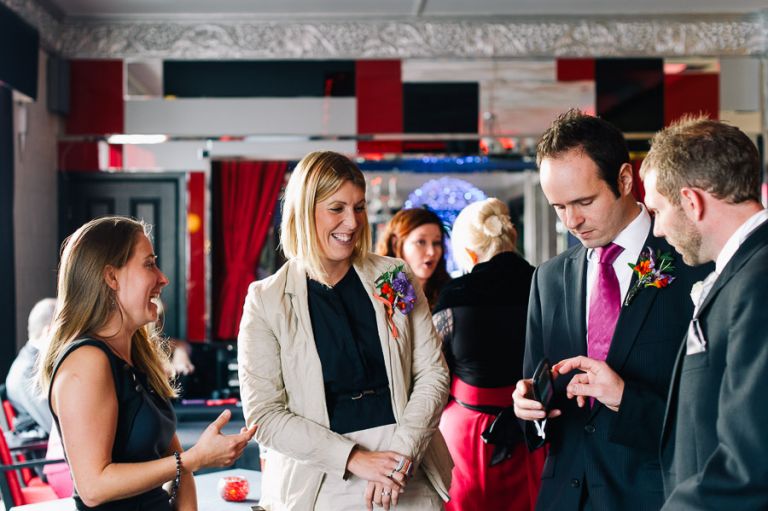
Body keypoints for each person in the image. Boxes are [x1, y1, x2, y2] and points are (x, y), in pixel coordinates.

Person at [511, 109, 709, 511]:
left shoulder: (693, 264)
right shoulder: (548, 279)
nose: (572, 221)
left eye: (584, 201)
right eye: (558, 207)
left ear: (624, 179)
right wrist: (528, 408)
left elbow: (711, 414)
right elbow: (536, 390)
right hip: (564, 497)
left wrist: (625, 399)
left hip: (652, 495)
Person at [238, 151, 453, 511]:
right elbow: (265, 416)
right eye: (336, 208)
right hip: (319, 479)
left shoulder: (393, 276)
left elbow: (433, 373)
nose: (352, 223)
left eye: (359, 207)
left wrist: (402, 454)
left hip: (407, 466)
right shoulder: (267, 299)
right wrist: (354, 458)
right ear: (304, 212)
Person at [37, 216, 256, 511]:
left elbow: (177, 465)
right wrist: (193, 458)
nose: (163, 278)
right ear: (111, 277)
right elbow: (93, 488)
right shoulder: (86, 362)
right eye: (149, 264)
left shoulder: (136, 356)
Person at [640, 117, 768, 510]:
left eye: (658, 210)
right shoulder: (744, 270)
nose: (657, 230)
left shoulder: (758, 281)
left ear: (691, 201)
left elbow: (750, 462)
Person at [433, 198, 544, 511]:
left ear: (470, 253)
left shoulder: (456, 294)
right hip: (534, 429)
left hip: (471, 435)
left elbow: (435, 371)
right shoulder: (543, 283)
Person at [376, 208, 451, 310]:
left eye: (436, 243)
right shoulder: (376, 294)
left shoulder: (451, 294)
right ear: (395, 244)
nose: (432, 252)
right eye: (421, 242)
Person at [6, 298, 57, 436]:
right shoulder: (27, 372)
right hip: (44, 446)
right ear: (49, 331)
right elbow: (54, 424)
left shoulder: (28, 363)